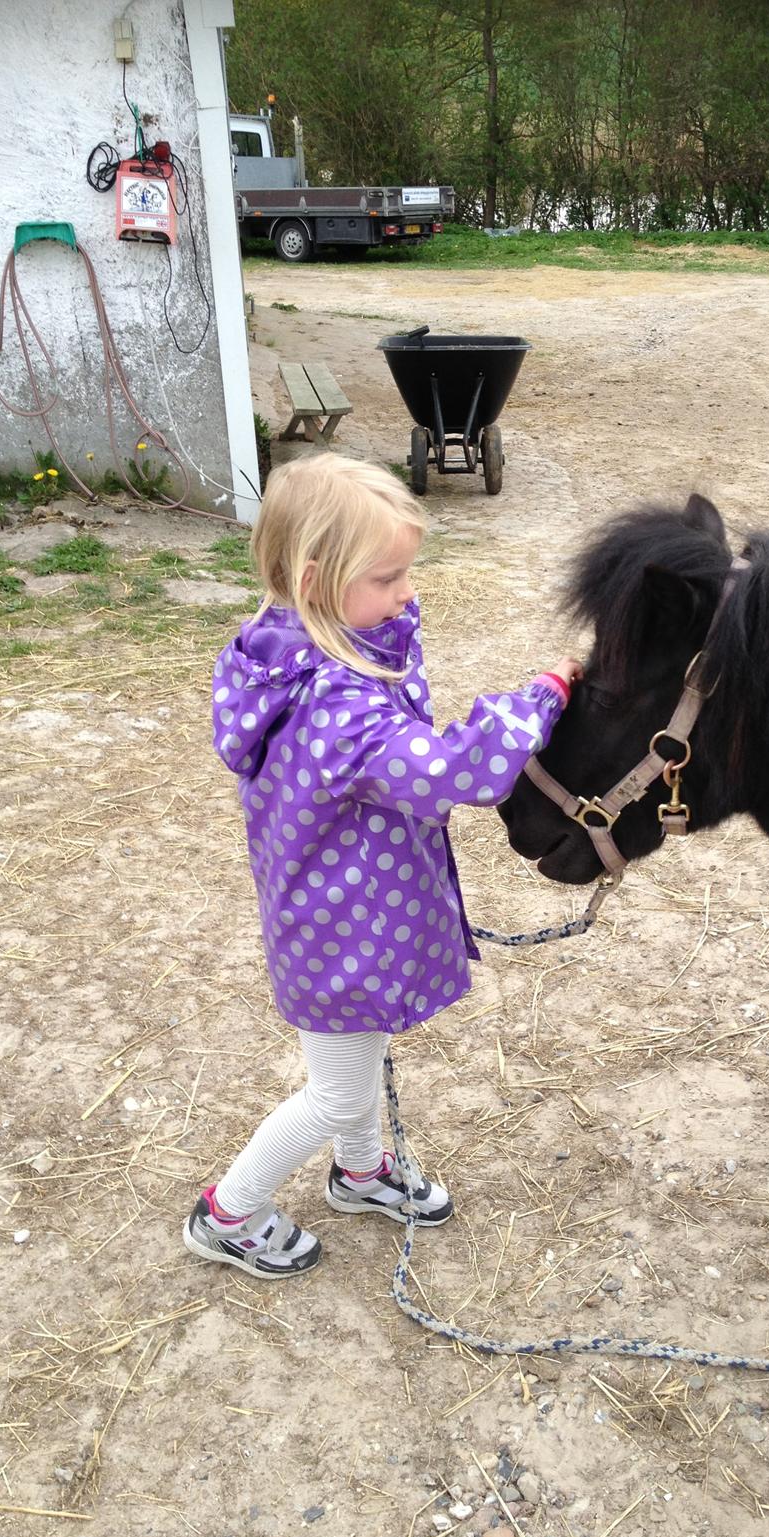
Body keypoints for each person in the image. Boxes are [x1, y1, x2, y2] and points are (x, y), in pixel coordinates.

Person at [184, 452, 582, 1279]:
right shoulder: (334, 703)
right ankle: (229, 1212)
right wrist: (543, 693)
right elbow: (453, 773)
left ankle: (361, 1173)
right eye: (390, 576)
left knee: (360, 1063)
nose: (407, 592)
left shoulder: (309, 642)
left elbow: (393, 664)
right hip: (338, 935)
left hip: (344, 913)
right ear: (316, 576)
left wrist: (391, 608)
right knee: (333, 1092)